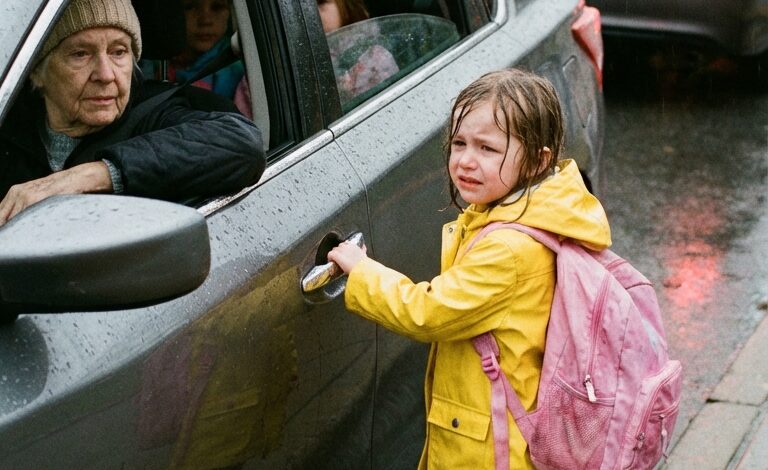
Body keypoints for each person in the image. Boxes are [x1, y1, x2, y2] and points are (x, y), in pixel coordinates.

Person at [327, 68, 612, 468]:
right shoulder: (528, 214)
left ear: (538, 160)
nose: (465, 161)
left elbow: (429, 312)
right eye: (459, 143)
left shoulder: (509, 249)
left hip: (490, 448)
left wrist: (362, 272)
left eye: (487, 149)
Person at [0, 0, 265, 226]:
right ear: (36, 72)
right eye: (80, 54)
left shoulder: (156, 113)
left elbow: (243, 143)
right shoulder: (8, 124)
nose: (105, 74)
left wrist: (93, 175)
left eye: (118, 52)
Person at [317, 0, 399, 105]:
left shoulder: (374, 55)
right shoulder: (310, 59)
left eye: (321, 2)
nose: (310, 11)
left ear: (345, 4)